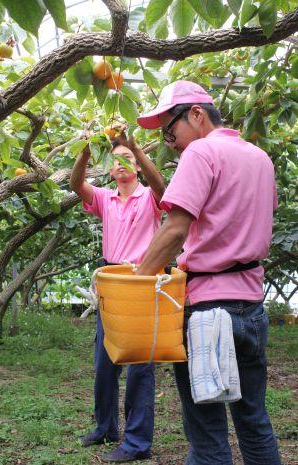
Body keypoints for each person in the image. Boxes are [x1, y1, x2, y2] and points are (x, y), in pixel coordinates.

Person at [135, 80, 281, 465]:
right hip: (251, 308)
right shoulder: (260, 157)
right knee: (253, 420)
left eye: (171, 130)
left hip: (208, 312)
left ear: (196, 114)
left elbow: (175, 228)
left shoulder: (201, 152)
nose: (171, 142)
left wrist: (138, 281)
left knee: (207, 431)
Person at [69, 132, 165, 463]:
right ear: (110, 169)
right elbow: (75, 185)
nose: (122, 164)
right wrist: (86, 151)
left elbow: (163, 188)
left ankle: (138, 442)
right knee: (104, 361)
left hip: (141, 280)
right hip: (110, 280)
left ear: (138, 166)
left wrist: (134, 145)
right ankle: (105, 427)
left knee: (140, 366)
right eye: (117, 160)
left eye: (129, 159)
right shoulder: (105, 199)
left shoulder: (150, 198)